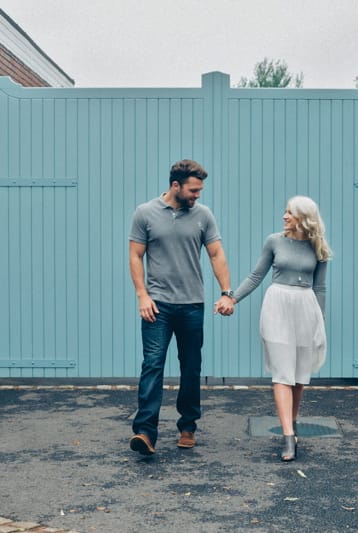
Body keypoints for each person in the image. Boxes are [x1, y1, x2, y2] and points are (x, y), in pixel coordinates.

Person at [128, 159, 235, 456]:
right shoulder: (145, 213)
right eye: (193, 190)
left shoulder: (203, 215)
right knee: (152, 365)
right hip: (157, 306)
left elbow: (216, 254)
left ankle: (188, 425)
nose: (197, 195)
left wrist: (227, 292)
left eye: (199, 190)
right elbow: (136, 256)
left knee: (191, 367)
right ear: (175, 185)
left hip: (191, 305)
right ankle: (145, 432)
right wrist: (142, 295)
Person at [230, 196, 332, 461]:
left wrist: (320, 321)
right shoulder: (274, 241)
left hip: (305, 308)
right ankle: (288, 436)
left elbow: (320, 287)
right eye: (285, 211)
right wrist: (232, 297)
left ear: (303, 217)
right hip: (277, 307)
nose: (284, 216)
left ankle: (292, 424)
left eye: (289, 212)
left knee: (298, 376)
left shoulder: (317, 246)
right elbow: (256, 276)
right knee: (282, 372)